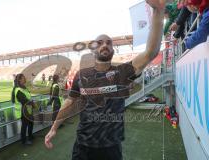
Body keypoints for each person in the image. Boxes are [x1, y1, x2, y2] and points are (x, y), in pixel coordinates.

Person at [45, 0, 166, 159]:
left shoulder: (122, 72)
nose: (105, 45)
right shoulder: (81, 75)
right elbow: (69, 102)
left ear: (113, 50)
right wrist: (54, 127)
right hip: (83, 147)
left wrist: (158, 10)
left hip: (111, 148)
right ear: (93, 49)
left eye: (109, 43)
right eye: (100, 42)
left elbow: (151, 52)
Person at [11, 74, 35, 145]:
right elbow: (24, 100)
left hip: (28, 110)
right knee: (24, 125)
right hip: (23, 111)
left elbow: (28, 98)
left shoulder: (24, 88)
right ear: (19, 80)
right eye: (24, 78)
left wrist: (31, 103)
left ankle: (30, 136)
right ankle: (24, 141)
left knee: (30, 123)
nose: (25, 79)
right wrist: (32, 103)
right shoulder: (18, 89)